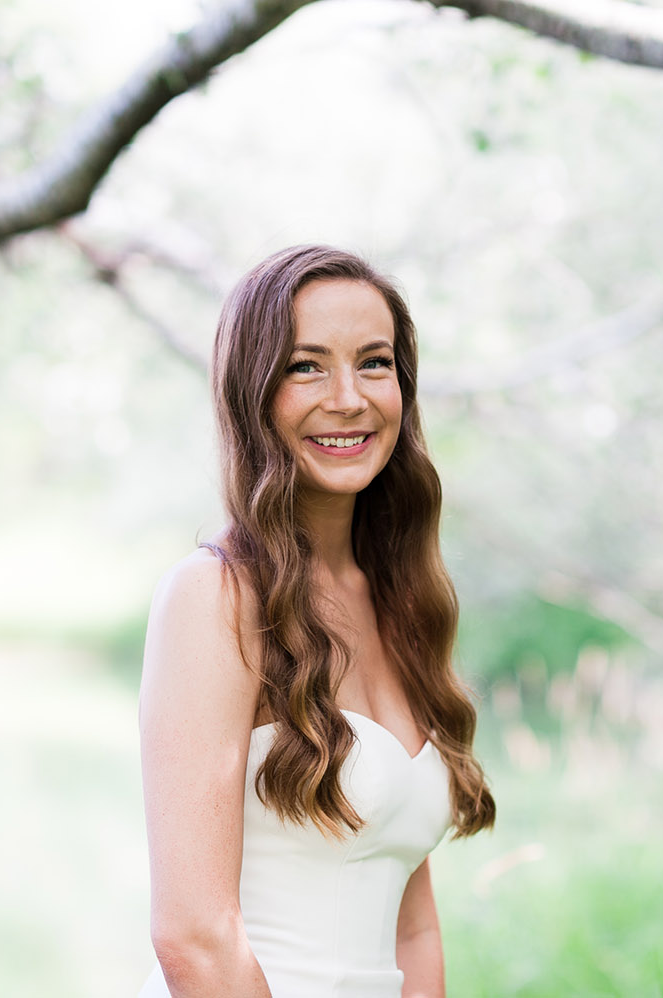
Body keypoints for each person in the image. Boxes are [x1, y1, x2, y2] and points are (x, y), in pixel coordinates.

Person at [137, 245, 496, 998]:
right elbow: (194, 939)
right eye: (306, 366)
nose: (349, 397)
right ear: (252, 392)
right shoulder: (216, 600)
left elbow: (413, 927)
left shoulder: (402, 601)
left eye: (374, 362)